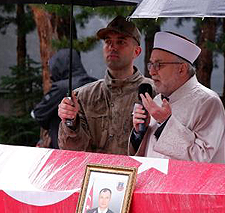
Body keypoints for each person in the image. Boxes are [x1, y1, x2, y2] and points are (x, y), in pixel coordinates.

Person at [57, 16, 153, 155]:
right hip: (92, 174)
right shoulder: (83, 97)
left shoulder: (153, 93)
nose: (112, 47)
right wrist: (71, 122)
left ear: (137, 52)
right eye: (108, 41)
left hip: (140, 175)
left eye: (121, 42)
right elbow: (71, 152)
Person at [129, 31, 225, 163]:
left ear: (181, 69)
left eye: (159, 65)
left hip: (192, 183)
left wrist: (165, 123)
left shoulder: (208, 102)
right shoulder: (157, 100)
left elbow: (201, 158)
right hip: (156, 182)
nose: (151, 71)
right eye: (150, 64)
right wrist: (139, 133)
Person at [33, 49, 95, 149]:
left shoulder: (62, 88)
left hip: (64, 148)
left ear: (57, 67)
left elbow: (39, 114)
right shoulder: (95, 85)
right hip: (93, 150)